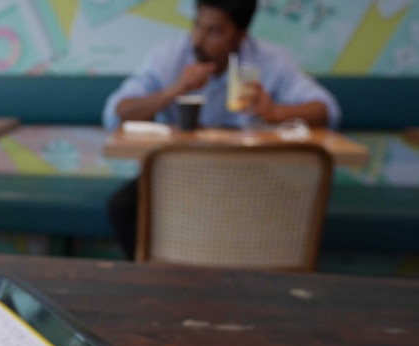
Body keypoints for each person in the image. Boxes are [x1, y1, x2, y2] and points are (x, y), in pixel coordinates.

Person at [102, 0, 341, 259]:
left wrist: (276, 112)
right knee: (123, 208)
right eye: (197, 26)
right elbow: (117, 112)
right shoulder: (168, 57)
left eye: (214, 31)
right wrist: (174, 89)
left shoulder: (270, 61)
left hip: (250, 176)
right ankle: (157, 281)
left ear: (240, 36)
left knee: (281, 209)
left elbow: (327, 110)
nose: (198, 39)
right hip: (179, 175)